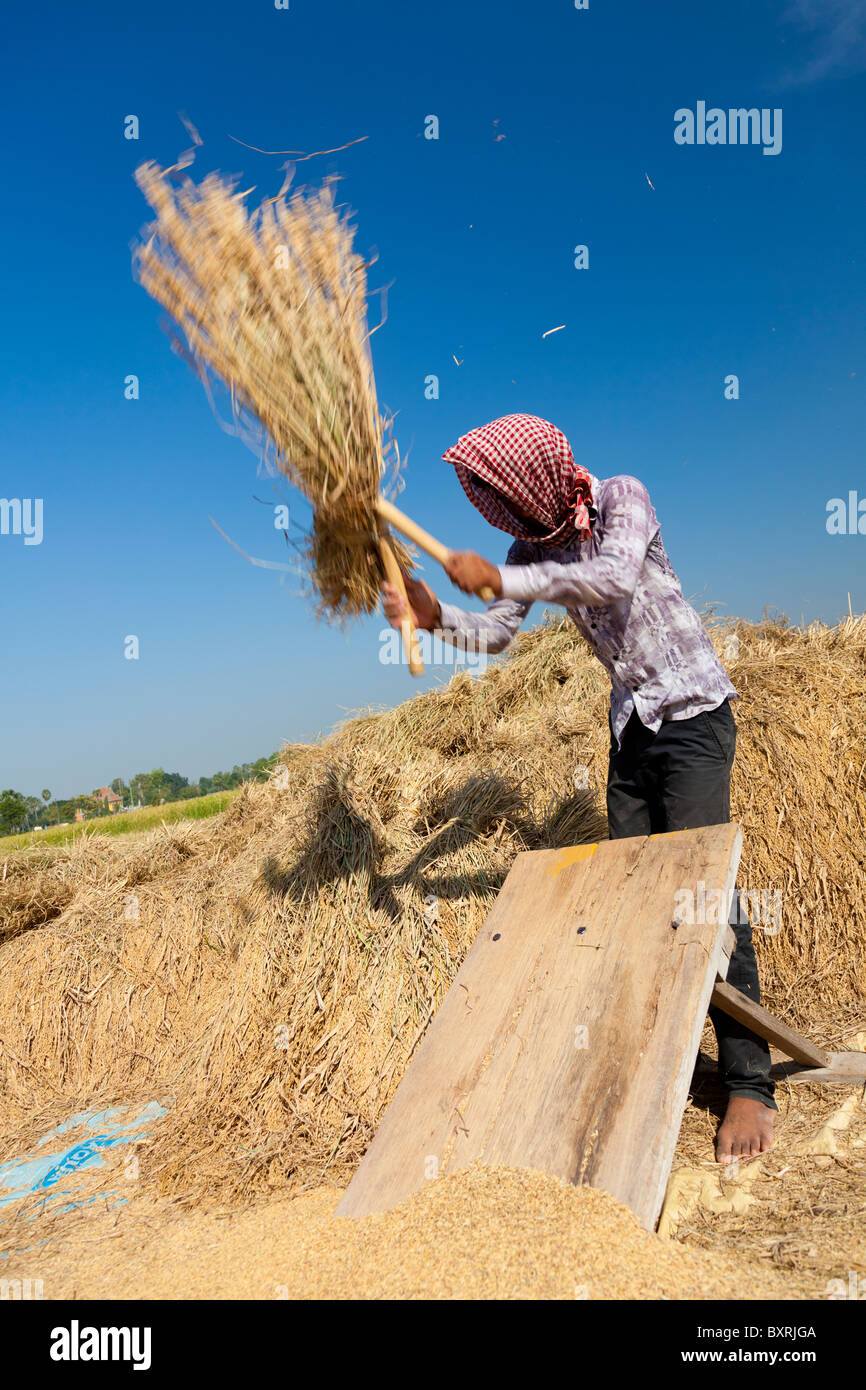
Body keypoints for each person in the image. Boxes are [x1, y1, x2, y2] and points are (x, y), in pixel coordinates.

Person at [382, 412, 776, 1162]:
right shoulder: (528, 550)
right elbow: (498, 632)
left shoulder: (622, 496)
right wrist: (435, 617)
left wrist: (505, 576)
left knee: (705, 894)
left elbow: (613, 576)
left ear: (538, 477)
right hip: (632, 729)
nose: (508, 517)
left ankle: (749, 1083)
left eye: (509, 497)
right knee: (636, 899)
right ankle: (654, 1059)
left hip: (693, 713)